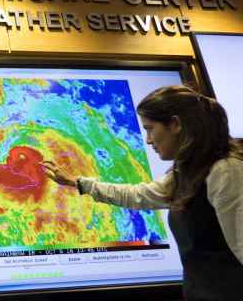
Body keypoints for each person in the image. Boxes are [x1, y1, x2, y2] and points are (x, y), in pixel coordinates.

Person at [40, 84, 243, 301]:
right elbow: (138, 195)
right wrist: (77, 182)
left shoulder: (226, 171)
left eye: (150, 128)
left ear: (175, 124)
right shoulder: (190, 171)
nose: (148, 140)